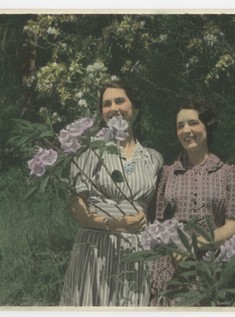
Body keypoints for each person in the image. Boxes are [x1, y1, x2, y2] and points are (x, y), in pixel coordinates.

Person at [60, 80, 163, 306]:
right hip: (96, 249)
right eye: (106, 104)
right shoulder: (89, 150)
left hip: (137, 252)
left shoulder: (153, 158)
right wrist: (115, 224)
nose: (113, 108)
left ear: (134, 108)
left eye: (119, 101)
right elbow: (77, 207)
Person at [149, 99, 235, 306]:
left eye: (193, 123)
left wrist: (195, 245)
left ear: (207, 126)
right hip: (171, 273)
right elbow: (159, 224)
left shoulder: (228, 172)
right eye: (180, 126)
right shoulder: (167, 172)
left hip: (212, 271)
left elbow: (233, 224)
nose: (186, 130)